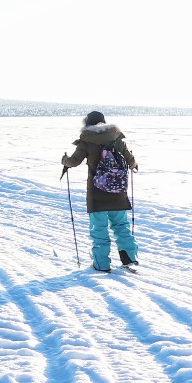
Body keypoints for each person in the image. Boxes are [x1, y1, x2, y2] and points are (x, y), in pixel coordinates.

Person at [60, 111, 138, 272]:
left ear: (88, 124)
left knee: (99, 229)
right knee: (121, 225)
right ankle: (129, 258)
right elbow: (131, 161)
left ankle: (101, 264)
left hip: (97, 193)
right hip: (118, 192)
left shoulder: (87, 140)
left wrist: (64, 161)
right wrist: (132, 164)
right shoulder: (116, 138)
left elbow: (74, 162)